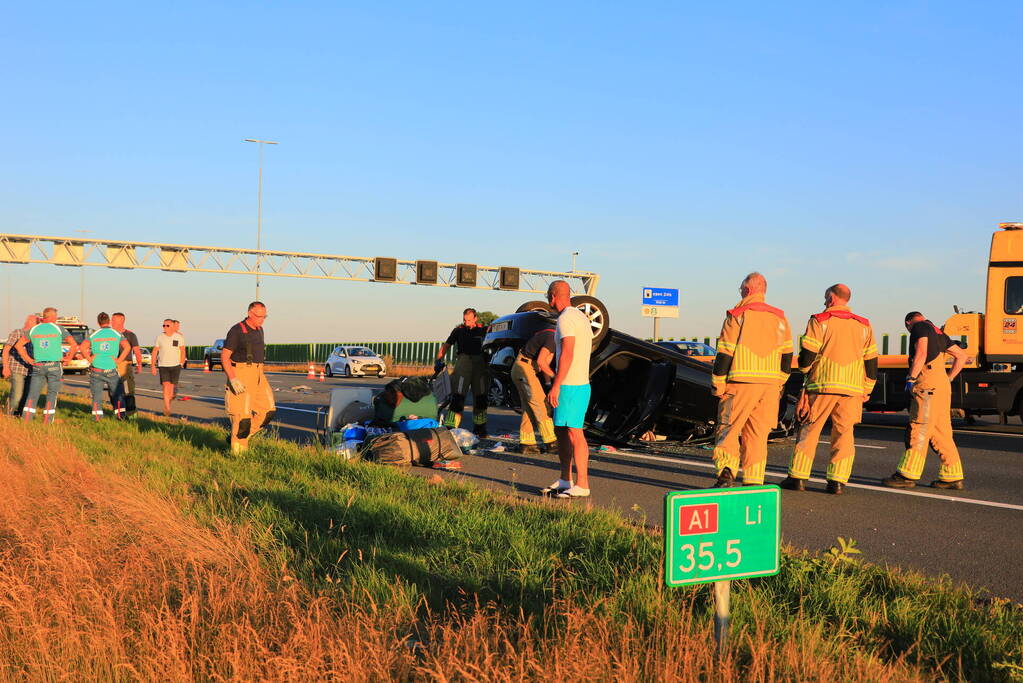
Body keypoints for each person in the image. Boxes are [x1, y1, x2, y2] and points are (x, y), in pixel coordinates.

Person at [780, 284, 878, 495]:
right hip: (852, 388)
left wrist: (805, 372)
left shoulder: (820, 320)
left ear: (832, 298)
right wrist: (867, 388)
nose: (824, 302)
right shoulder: (864, 325)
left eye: (826, 298)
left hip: (823, 385)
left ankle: (797, 477)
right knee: (844, 434)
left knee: (809, 430)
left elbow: (808, 355)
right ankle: (837, 482)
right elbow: (871, 361)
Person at [710, 273, 793, 487]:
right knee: (757, 433)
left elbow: (725, 352)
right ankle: (754, 481)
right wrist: (780, 381)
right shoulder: (780, 318)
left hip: (741, 382)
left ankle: (726, 474)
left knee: (728, 428)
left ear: (747, 290)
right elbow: (787, 355)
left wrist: (718, 382)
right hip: (770, 386)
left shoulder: (737, 314)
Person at [882, 312, 968, 490]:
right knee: (941, 432)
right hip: (942, 386)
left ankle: (907, 475)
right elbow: (961, 356)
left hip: (927, 385)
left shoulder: (919, 327)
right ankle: (953, 476)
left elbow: (921, 352)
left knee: (919, 427)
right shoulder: (938, 332)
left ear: (908, 323)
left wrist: (911, 378)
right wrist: (949, 378)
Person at [544, 280, 594, 499]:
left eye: (548, 298)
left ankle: (582, 484)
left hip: (572, 384)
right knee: (562, 430)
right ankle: (566, 479)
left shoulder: (565, 319)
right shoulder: (580, 317)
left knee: (575, 432)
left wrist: (556, 385)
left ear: (553, 296)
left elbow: (568, 353)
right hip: (575, 383)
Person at [222, 302, 276, 454]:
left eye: (265, 316)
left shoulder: (260, 329)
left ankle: (237, 436)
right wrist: (233, 378)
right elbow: (225, 356)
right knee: (242, 418)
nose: (262, 319)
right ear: (250, 313)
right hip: (241, 373)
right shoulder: (236, 330)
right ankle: (238, 455)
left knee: (268, 411)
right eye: (259, 316)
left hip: (259, 373)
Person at [16, 307, 79, 424]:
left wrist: (29, 359)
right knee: (52, 394)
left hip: (38, 365)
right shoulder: (59, 329)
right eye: (55, 317)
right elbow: (74, 344)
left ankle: (26, 420)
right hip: (54, 365)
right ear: (51, 317)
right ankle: (47, 421)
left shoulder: (34, 329)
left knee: (33, 393)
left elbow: (19, 345)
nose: (56, 319)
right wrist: (69, 357)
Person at [437, 308, 491, 437]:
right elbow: (446, 345)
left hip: (480, 365)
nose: (467, 323)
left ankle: (480, 428)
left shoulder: (484, 330)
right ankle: (451, 427)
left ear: (475, 318)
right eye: (465, 320)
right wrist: (438, 360)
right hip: (463, 363)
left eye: (469, 320)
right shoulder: (458, 331)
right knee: (458, 396)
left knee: (481, 398)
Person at [511, 325, 557, 455]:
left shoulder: (550, 336)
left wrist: (549, 384)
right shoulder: (553, 337)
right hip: (525, 369)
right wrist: (557, 378)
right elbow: (542, 362)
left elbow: (544, 365)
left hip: (521, 368)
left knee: (529, 407)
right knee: (540, 404)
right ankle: (551, 442)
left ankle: (527, 443)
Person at [80, 312, 131, 420]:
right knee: (117, 394)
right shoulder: (116, 333)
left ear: (98, 322)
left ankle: (97, 418)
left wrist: (90, 359)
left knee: (97, 395)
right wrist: (119, 360)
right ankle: (120, 416)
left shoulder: (93, 334)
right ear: (109, 321)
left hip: (96, 369)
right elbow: (127, 347)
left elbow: (83, 347)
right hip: (111, 369)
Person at [3, 313, 39, 416]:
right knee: (17, 395)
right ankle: (9, 415)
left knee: (26, 395)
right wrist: (6, 367)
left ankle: (19, 415)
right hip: (17, 369)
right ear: (31, 322)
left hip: (30, 370)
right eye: (37, 323)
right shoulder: (17, 333)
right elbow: (6, 350)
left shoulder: (34, 336)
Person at [111, 312, 143, 417]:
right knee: (113, 390)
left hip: (125, 366)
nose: (111, 322)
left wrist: (139, 364)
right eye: (112, 320)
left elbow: (137, 351)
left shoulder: (130, 335)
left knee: (128, 390)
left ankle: (131, 414)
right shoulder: (110, 334)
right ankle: (118, 413)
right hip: (112, 366)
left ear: (121, 321)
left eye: (114, 321)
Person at [151, 318, 185, 417]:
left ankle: (169, 400)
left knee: (171, 389)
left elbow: (183, 350)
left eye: (167, 325)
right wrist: (153, 365)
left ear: (172, 327)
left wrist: (181, 363)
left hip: (175, 365)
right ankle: (167, 408)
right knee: (166, 386)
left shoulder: (179, 337)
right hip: (163, 365)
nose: (165, 327)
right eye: (163, 325)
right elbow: (154, 351)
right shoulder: (160, 337)